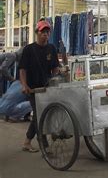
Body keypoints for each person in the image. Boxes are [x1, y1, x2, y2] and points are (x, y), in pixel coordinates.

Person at [19, 20, 60, 153]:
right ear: (37, 32)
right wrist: (24, 85)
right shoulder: (29, 49)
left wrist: (56, 76)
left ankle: (26, 142)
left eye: (47, 32)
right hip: (32, 89)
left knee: (40, 115)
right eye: (42, 32)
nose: (45, 34)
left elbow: (55, 67)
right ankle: (44, 146)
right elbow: (22, 70)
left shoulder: (52, 48)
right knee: (39, 115)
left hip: (47, 87)